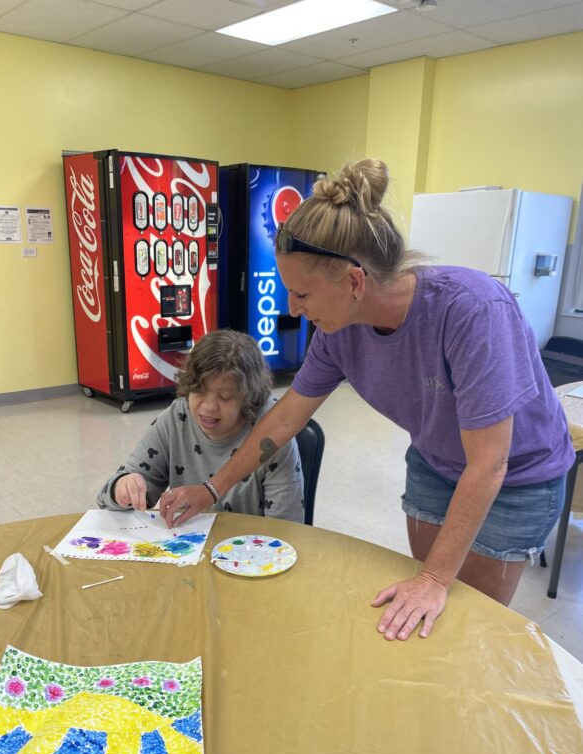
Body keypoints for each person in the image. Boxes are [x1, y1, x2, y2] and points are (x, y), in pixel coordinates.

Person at [160, 159, 574, 641]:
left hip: (516, 478)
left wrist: (435, 579)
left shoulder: (471, 312)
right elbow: (285, 418)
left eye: (302, 294)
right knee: (423, 615)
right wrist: (212, 489)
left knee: (466, 617)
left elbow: (490, 463)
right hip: (435, 463)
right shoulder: (338, 332)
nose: (293, 309)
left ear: (355, 282)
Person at [97, 329, 304, 522]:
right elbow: (108, 498)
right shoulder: (177, 418)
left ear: (249, 397)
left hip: (250, 552)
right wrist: (123, 487)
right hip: (186, 549)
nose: (208, 407)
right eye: (199, 391)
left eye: (224, 398)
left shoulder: (273, 431)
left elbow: (287, 527)